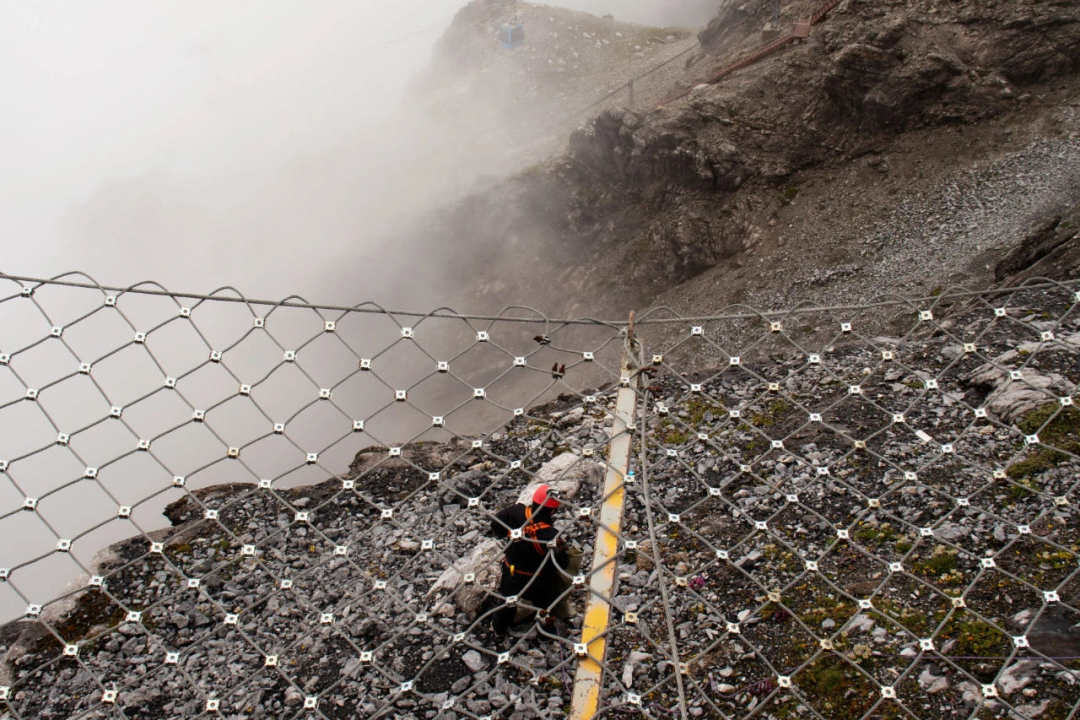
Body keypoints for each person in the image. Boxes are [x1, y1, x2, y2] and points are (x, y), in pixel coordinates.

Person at [487, 484, 576, 634]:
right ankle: (545, 631)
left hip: (511, 571)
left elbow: (496, 525)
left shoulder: (515, 511)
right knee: (546, 604)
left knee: (508, 602)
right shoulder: (550, 535)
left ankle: (498, 629)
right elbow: (561, 562)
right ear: (553, 510)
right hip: (536, 580)